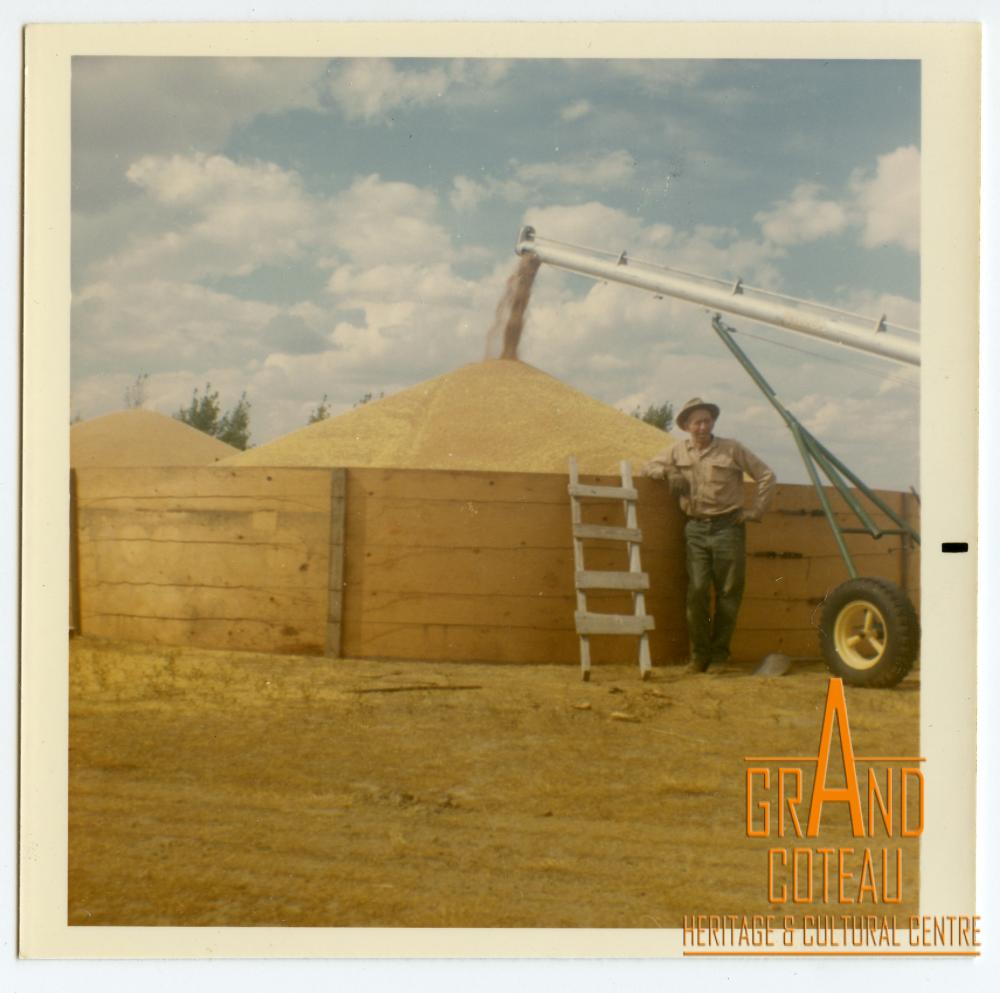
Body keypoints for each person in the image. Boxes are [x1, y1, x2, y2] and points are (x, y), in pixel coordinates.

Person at [643, 397, 775, 672]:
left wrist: (756, 511)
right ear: (686, 426)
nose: (703, 427)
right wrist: (669, 472)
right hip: (695, 528)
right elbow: (647, 467)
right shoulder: (677, 451)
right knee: (698, 591)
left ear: (713, 422)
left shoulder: (731, 448)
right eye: (697, 422)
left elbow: (766, 475)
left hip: (729, 528)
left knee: (728, 592)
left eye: (707, 420)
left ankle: (719, 657)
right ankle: (699, 656)